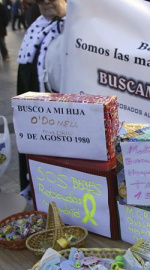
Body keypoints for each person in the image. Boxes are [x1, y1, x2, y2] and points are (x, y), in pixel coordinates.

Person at [17, 0, 67, 200]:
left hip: (75, 115)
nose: (45, 2)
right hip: (44, 119)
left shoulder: (84, 25)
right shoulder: (35, 30)